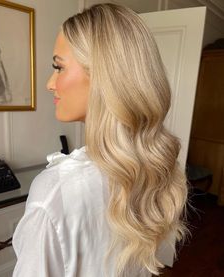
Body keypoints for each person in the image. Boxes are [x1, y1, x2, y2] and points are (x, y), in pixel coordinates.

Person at [12, 3, 188, 277]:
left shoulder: (55, 192)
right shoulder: (158, 165)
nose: (49, 83)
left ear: (104, 76)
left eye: (58, 67)